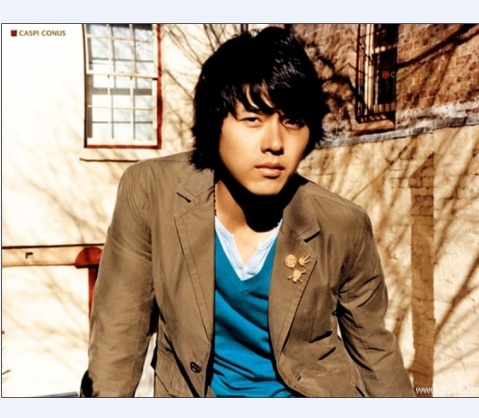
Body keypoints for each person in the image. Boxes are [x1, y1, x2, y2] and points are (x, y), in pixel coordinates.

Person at [81, 26, 414, 397]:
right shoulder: (152, 193)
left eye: (292, 121)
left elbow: (374, 349)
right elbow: (118, 334)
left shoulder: (342, 224)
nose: (274, 143)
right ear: (215, 124)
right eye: (253, 119)